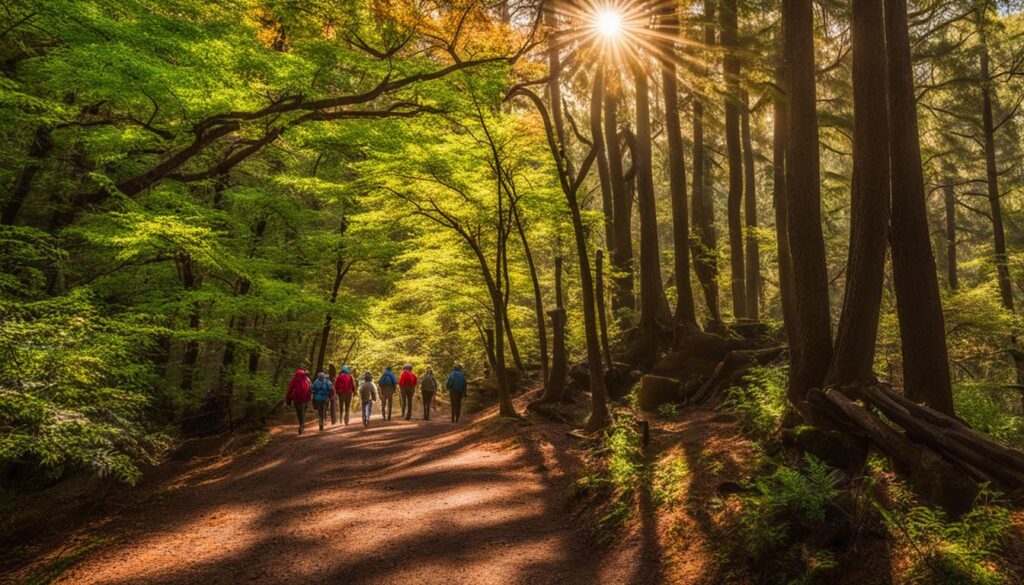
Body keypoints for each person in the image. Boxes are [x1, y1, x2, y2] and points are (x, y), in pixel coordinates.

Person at [285, 369, 312, 434]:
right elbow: (310, 388)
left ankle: (301, 425)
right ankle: (302, 424)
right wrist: (310, 397)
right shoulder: (307, 379)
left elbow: (290, 390)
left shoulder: (294, 380)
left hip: (297, 399)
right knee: (303, 411)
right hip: (305, 398)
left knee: (299, 412)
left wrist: (288, 400)